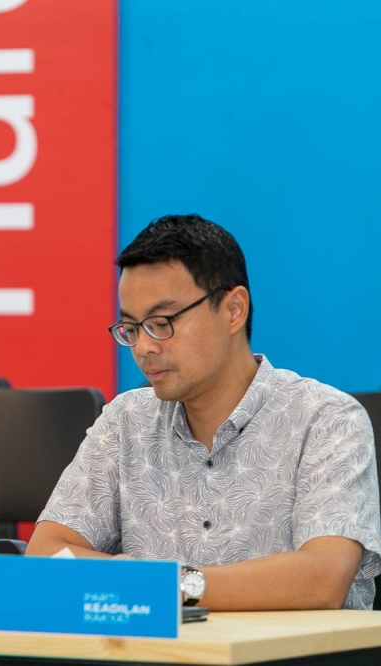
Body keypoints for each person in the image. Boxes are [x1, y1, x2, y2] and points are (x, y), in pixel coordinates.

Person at [28, 214, 381, 611]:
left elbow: (322, 579)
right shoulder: (125, 420)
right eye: (131, 327)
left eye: (162, 323)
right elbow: (47, 552)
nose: (143, 347)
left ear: (233, 310)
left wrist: (168, 586)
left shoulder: (327, 418)